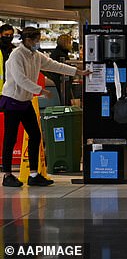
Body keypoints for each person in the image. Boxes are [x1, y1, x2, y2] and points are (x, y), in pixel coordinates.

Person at [1, 27, 91, 187]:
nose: (38, 43)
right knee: (10, 138)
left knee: (35, 135)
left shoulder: (35, 55)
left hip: (25, 101)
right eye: (36, 40)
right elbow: (20, 79)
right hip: (13, 100)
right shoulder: (16, 56)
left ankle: (34, 174)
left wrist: (78, 72)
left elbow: (54, 65)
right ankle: (7, 175)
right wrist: (40, 91)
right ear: (27, 40)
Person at [43, 34, 73, 105]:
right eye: (70, 42)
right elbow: (64, 68)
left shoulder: (57, 52)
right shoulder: (61, 55)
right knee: (64, 101)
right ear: (66, 43)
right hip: (60, 82)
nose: (71, 44)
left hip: (57, 81)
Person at [0, 24, 15, 88]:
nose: (9, 37)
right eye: (6, 35)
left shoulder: (14, 49)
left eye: (11, 35)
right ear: (0, 35)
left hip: (10, 87)